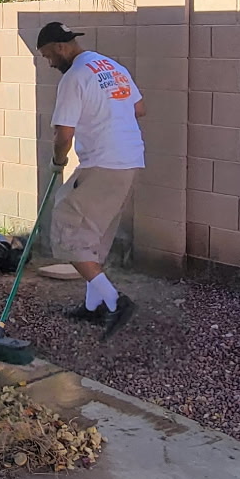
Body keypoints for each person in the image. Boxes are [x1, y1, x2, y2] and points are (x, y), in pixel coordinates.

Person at [35, 21, 143, 331]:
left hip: (103, 162)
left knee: (66, 226)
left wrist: (58, 162)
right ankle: (92, 305)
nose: (49, 62)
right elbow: (139, 108)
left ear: (60, 47)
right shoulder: (111, 66)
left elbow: (63, 133)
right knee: (94, 234)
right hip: (130, 159)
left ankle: (114, 300)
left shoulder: (75, 77)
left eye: (47, 55)